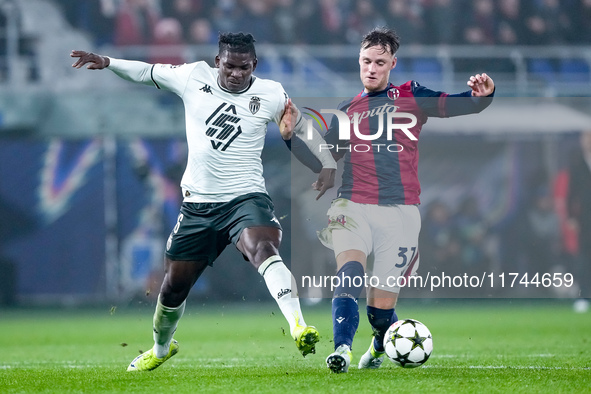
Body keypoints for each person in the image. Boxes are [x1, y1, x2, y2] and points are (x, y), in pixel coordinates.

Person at [70, 32, 337, 371]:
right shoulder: (193, 77)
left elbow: (302, 127)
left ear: (254, 65)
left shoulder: (271, 93)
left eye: (244, 67)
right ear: (217, 63)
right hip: (198, 205)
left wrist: (326, 162)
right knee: (172, 287)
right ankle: (161, 347)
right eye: (230, 66)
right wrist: (108, 62)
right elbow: (146, 71)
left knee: (263, 248)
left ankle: (299, 326)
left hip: (246, 197)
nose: (236, 74)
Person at [300, 27, 495, 373]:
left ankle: (379, 344)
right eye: (365, 61)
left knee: (379, 313)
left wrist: (481, 97)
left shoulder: (410, 95)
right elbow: (323, 156)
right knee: (350, 271)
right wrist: (291, 136)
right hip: (353, 203)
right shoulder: (348, 109)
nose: (371, 68)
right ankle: (342, 349)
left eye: (379, 62)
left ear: (392, 64)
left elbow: (455, 104)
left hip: (401, 211)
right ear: (358, 62)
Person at [567, 130, 591, 312]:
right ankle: (584, 295)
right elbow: (570, 194)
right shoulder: (577, 163)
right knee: (585, 258)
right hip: (585, 219)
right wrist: (570, 217)